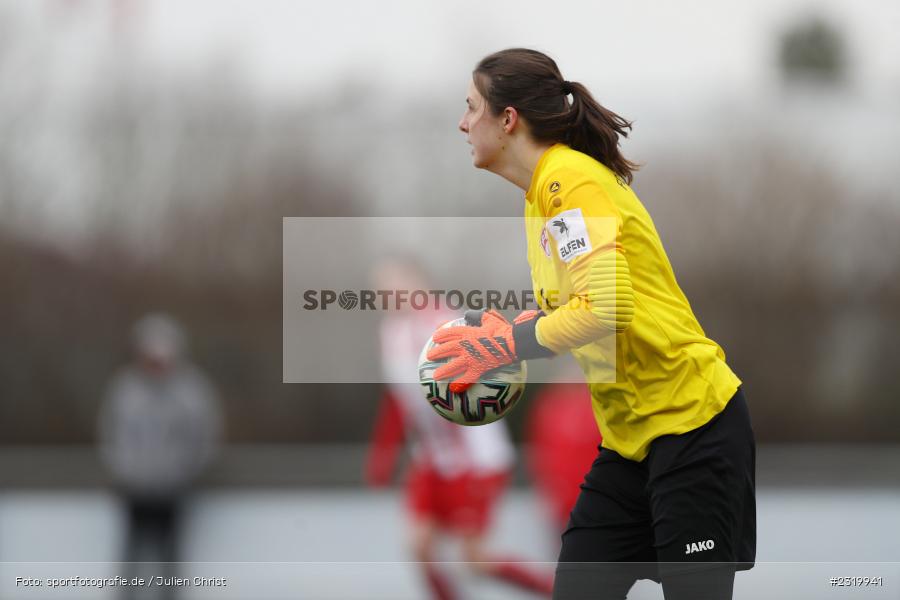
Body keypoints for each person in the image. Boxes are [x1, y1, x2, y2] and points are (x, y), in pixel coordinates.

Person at [427, 48, 756, 600]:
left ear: (507, 120)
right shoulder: (542, 196)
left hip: (693, 426)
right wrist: (501, 338)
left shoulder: (569, 183)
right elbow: (577, 309)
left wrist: (506, 345)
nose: (462, 123)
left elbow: (607, 309)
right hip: (630, 444)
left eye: (470, 107)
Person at [366, 257, 554, 600]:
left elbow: (490, 383)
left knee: (475, 559)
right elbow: (398, 400)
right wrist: (383, 454)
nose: (390, 293)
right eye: (383, 287)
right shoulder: (390, 332)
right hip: (432, 460)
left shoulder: (450, 324)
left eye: (397, 283)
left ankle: (557, 591)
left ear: (420, 282)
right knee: (419, 546)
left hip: (476, 458)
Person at [98, 313, 223, 600]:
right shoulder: (125, 389)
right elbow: (110, 433)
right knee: (132, 559)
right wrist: (123, 470)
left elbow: (205, 436)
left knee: (170, 561)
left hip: (174, 490)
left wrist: (186, 471)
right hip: (134, 489)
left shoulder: (192, 391)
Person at [524, 377, 602, 536]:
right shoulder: (549, 404)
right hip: (560, 490)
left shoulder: (597, 404)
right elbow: (538, 447)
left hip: (593, 489)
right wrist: (542, 484)